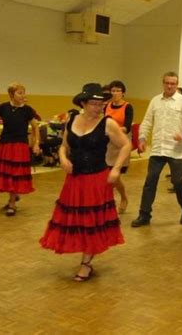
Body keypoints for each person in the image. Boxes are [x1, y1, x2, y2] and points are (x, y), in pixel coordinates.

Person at [40, 83, 130, 282]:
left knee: (91, 221)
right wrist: (63, 158)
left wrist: (115, 169)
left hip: (96, 179)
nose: (98, 107)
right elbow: (64, 146)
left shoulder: (107, 123)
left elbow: (126, 145)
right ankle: (85, 258)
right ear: (83, 103)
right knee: (77, 220)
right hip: (74, 180)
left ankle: (86, 263)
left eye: (101, 104)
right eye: (94, 104)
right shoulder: (72, 120)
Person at [131, 71, 182, 227]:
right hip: (157, 149)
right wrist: (141, 138)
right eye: (167, 83)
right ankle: (144, 215)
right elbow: (147, 121)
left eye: (173, 83)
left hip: (176, 150)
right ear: (163, 83)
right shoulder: (155, 101)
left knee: (178, 181)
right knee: (150, 181)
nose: (170, 86)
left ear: (177, 84)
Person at [0, 82, 40, 216]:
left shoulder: (27, 110)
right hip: (6, 145)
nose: (22, 95)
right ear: (11, 94)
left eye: (23, 92)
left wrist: (36, 143)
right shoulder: (3, 107)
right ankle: (13, 196)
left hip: (20, 145)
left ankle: (12, 203)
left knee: (15, 174)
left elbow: (35, 127)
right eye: (19, 93)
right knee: (8, 174)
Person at [104, 80, 134, 214]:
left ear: (123, 93)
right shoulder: (107, 106)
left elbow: (127, 127)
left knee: (114, 175)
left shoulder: (128, 107)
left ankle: (123, 197)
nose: (115, 93)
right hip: (107, 143)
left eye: (118, 90)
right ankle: (107, 201)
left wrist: (114, 130)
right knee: (106, 174)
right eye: (113, 90)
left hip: (121, 144)